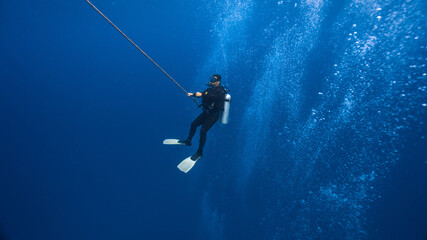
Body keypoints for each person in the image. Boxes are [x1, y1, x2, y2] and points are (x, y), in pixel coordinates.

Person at [179, 74, 226, 160]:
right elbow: (203, 94)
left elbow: (212, 96)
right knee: (193, 124)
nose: (211, 81)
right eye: (211, 79)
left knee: (203, 130)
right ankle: (188, 141)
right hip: (206, 113)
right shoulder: (209, 90)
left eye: (213, 79)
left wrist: (201, 95)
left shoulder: (221, 91)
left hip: (213, 115)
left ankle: (199, 152)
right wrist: (192, 94)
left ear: (218, 82)